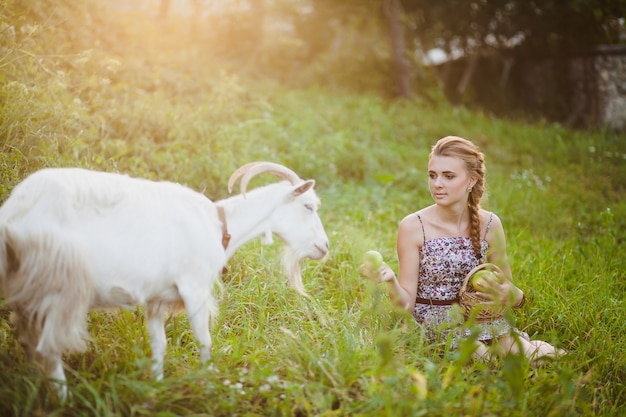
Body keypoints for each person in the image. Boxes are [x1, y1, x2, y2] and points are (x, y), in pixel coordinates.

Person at [361, 135, 564, 364]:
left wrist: (516, 297)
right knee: (485, 360)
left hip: (482, 319)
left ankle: (538, 352)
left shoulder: (490, 224)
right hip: (437, 325)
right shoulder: (413, 226)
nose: (437, 183)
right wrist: (390, 280)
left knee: (535, 357)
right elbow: (406, 305)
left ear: (471, 180)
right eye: (432, 175)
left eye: (448, 176)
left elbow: (505, 290)